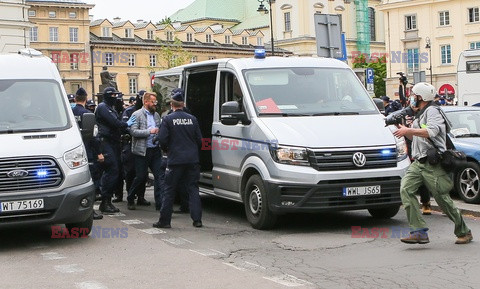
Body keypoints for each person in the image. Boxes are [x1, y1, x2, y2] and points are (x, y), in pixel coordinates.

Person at [393, 82, 473, 244]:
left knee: (442, 199)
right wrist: (405, 131)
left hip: (433, 163)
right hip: (418, 162)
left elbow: (431, 131)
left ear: (421, 97)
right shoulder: (420, 113)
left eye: (414, 96)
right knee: (406, 190)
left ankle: (463, 231)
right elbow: (417, 137)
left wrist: (409, 130)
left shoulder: (433, 111)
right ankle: (419, 231)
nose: (411, 98)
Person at [153, 88, 203, 228]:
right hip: (192, 159)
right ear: (183, 104)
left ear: (171, 105)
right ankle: (197, 220)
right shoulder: (193, 119)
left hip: (175, 160)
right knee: (193, 189)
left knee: (169, 190)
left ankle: (164, 221)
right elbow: (200, 140)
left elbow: (162, 139)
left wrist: (167, 150)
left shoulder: (168, 119)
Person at [95, 87, 136, 214]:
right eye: (113, 95)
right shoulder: (103, 107)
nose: (115, 97)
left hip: (113, 142)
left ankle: (107, 201)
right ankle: (105, 201)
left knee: (116, 171)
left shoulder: (111, 107)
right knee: (111, 170)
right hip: (105, 142)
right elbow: (114, 123)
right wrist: (126, 124)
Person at [127, 92, 163, 210]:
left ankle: (160, 203)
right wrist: (149, 132)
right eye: (153, 102)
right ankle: (131, 197)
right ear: (146, 102)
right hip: (142, 151)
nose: (155, 104)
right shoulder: (137, 114)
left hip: (155, 150)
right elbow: (133, 132)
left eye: (155, 102)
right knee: (141, 177)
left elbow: (160, 128)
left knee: (159, 176)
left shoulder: (156, 115)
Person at [71, 88, 103, 220]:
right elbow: (94, 137)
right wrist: (99, 153)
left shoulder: (69, 113)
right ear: (85, 98)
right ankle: (90, 210)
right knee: (92, 181)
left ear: (75, 99)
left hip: (73, 151)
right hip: (88, 150)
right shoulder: (88, 114)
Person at [118, 90, 146, 203]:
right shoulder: (129, 111)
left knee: (142, 172)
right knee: (130, 171)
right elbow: (125, 127)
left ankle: (140, 196)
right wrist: (135, 131)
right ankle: (131, 195)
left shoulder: (148, 112)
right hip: (130, 143)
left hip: (142, 144)